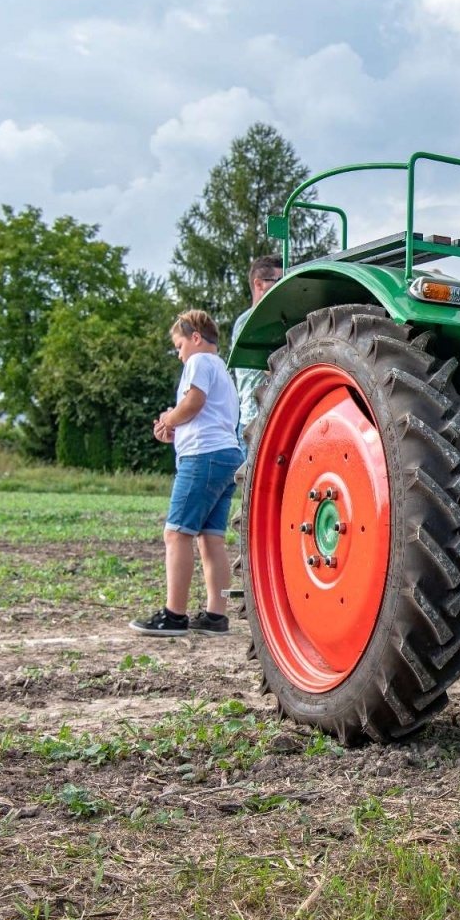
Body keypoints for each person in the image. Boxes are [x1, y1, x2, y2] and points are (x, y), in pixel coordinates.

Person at [132, 311, 244, 637]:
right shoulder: (223, 371)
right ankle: (215, 616)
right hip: (225, 456)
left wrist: (169, 418)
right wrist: (174, 430)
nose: (179, 354)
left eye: (179, 345)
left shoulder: (199, 363)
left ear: (195, 337)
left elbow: (193, 403)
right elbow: (205, 415)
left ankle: (174, 616)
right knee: (211, 539)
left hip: (202, 457)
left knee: (177, 534)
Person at [232, 255, 283, 436]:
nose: (283, 287)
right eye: (278, 281)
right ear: (259, 284)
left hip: (265, 417)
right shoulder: (251, 321)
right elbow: (271, 368)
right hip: (255, 421)